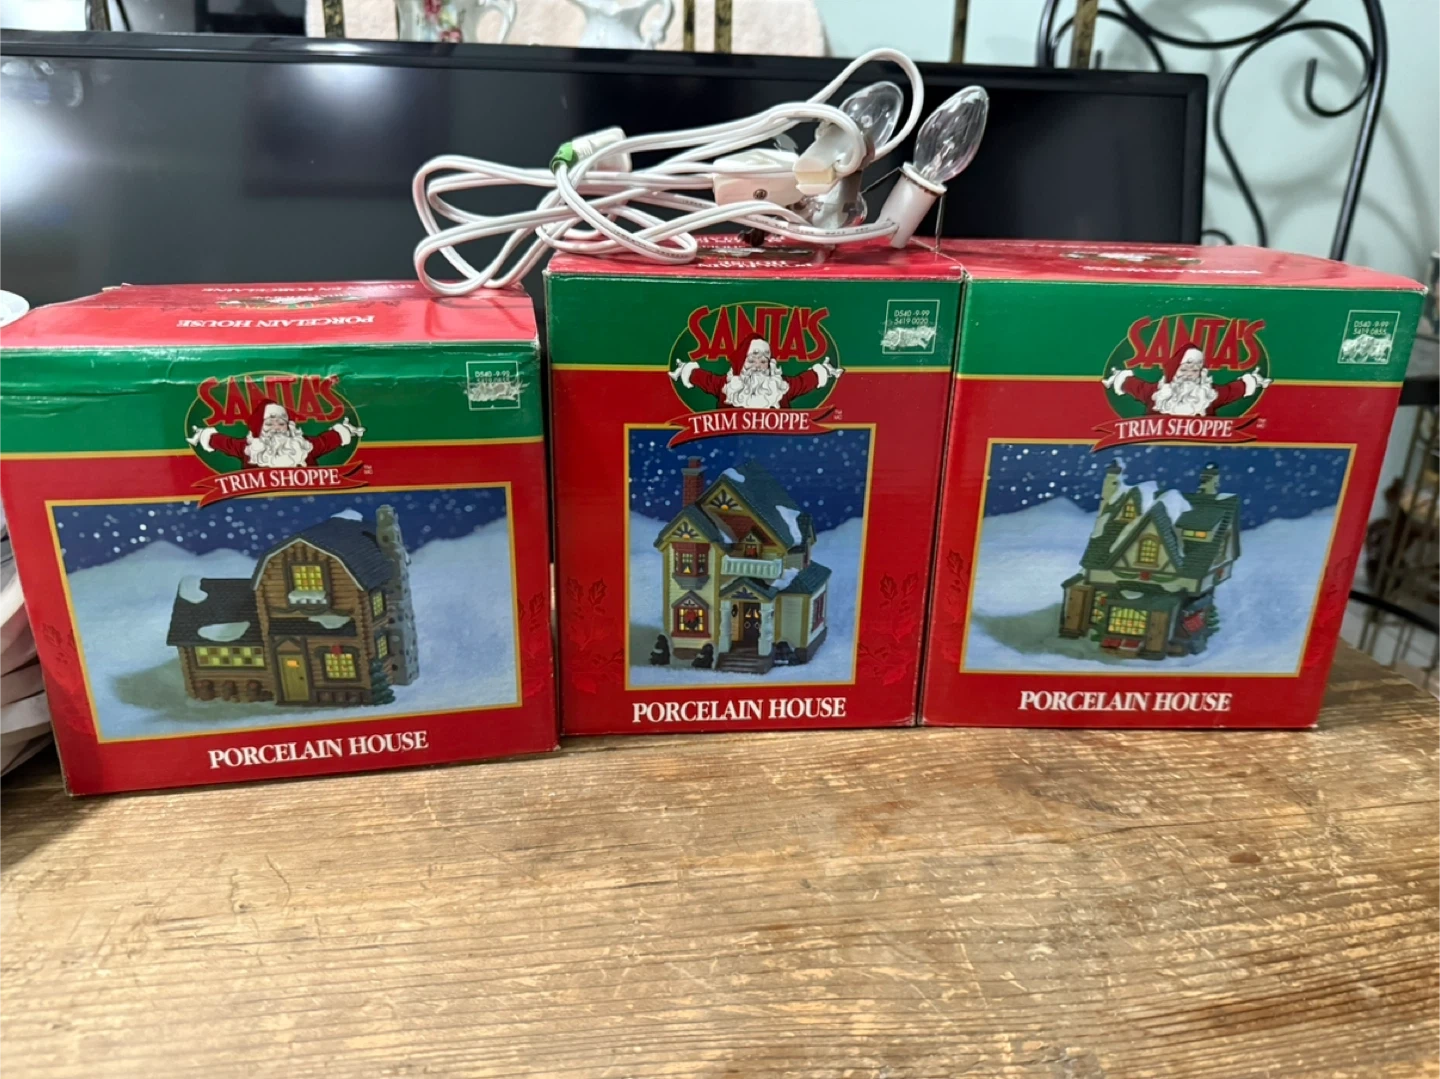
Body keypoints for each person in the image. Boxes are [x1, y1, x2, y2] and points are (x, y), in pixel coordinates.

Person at [671, 337, 841, 410]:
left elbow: (805, 381)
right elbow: (704, 378)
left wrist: (825, 370)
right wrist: (685, 369)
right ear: (742, 364)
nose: (757, 366)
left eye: (762, 362)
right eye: (751, 361)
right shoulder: (727, 386)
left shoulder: (781, 387)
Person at [187, 400, 364, 469]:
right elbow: (224, 442)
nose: (276, 428)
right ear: (260, 427)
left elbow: (327, 440)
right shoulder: (249, 448)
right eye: (269, 424)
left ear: (288, 426)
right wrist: (204, 435)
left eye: (281, 423)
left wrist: (347, 430)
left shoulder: (305, 446)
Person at [1103, 345, 1270, 418]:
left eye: (1195, 371)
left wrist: (1254, 380)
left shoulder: (1210, 395)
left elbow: (1235, 389)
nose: (1189, 375)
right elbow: (1131, 383)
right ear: (1174, 372)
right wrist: (1117, 378)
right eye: (1184, 370)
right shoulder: (1155, 393)